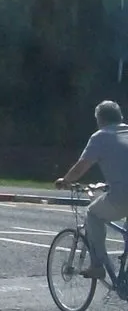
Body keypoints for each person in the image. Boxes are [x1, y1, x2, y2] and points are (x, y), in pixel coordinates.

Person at [56, 100, 128, 278]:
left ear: (99, 119)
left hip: (123, 195)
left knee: (93, 214)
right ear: (120, 117)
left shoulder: (100, 136)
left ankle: (97, 265)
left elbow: (82, 166)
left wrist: (65, 180)